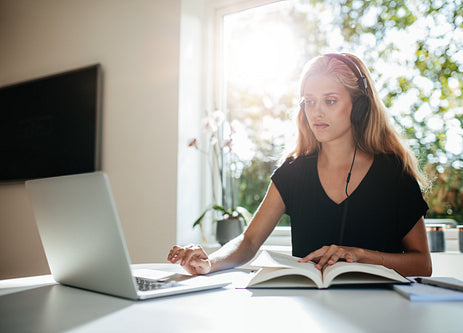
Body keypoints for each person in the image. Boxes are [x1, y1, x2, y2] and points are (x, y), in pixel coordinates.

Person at [168, 53, 432, 277]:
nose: (317, 112)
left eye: (330, 101)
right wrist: (209, 262)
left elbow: (422, 264)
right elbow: (248, 242)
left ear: (359, 106)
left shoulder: (393, 174)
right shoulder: (293, 172)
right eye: (309, 101)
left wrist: (359, 255)